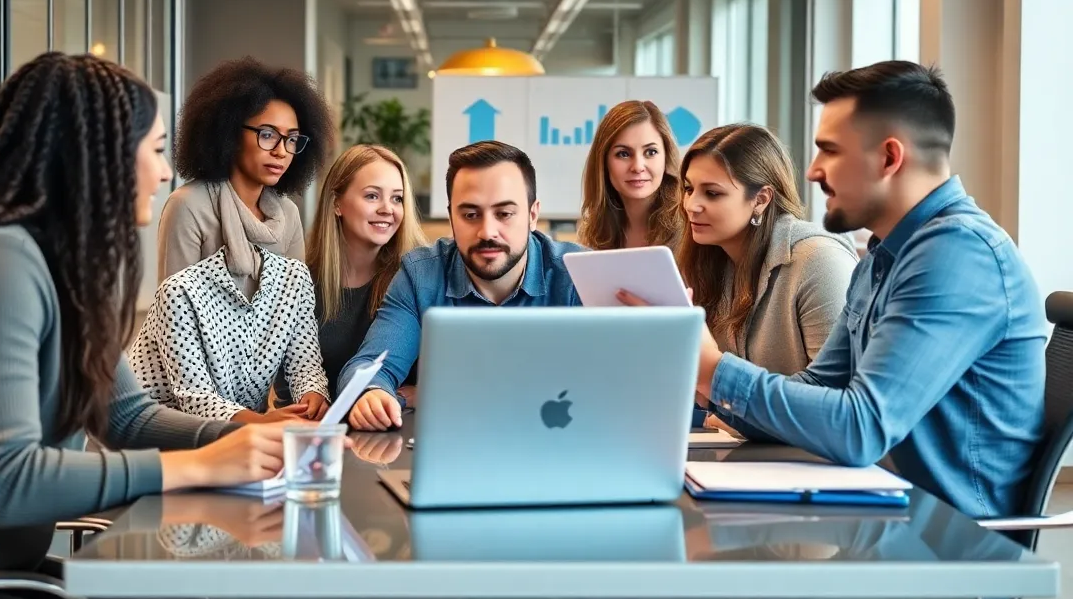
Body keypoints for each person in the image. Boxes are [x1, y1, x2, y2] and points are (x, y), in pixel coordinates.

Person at [0, 53, 289, 581]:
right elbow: (4, 482)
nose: (163, 171)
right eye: (153, 150)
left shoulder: (55, 269)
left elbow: (126, 418)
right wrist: (196, 466)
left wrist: (247, 442)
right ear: (96, 157)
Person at [626, 61, 1048, 520]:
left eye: (830, 151)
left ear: (889, 157)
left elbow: (860, 426)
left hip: (946, 541)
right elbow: (815, 388)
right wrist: (703, 379)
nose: (811, 171)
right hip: (882, 513)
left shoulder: (958, 254)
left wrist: (708, 367)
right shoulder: (886, 256)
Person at [341, 141, 584, 431]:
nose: (487, 232)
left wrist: (437, 395)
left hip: (565, 449)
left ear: (533, 215)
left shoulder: (578, 275)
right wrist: (372, 393)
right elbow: (368, 366)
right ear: (451, 216)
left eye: (504, 214)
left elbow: (617, 381)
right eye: (470, 215)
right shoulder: (421, 275)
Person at [677, 123, 857, 374]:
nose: (691, 205)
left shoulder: (820, 262)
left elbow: (834, 397)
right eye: (688, 189)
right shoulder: (714, 260)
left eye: (712, 193)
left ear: (760, 200)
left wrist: (733, 405)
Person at [157, 59, 334, 297]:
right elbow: (173, 311)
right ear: (229, 133)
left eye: (292, 139)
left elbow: (294, 309)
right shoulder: (189, 206)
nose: (281, 151)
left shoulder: (288, 214)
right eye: (268, 134)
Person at [274, 144, 428, 405]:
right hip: (320, 430)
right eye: (372, 196)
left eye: (397, 198)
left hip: (397, 428)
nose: (387, 209)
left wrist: (419, 396)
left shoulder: (416, 278)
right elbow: (285, 387)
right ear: (337, 204)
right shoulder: (298, 281)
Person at [129, 242, 331, 423]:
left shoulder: (294, 278)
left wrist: (312, 395)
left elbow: (304, 365)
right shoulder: (179, 291)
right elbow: (195, 401)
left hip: (236, 439)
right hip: (154, 437)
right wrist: (265, 423)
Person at [577, 100, 683, 251]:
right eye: (623, 154)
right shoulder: (592, 232)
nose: (638, 167)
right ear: (603, 162)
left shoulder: (690, 227)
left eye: (651, 152)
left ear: (667, 157)